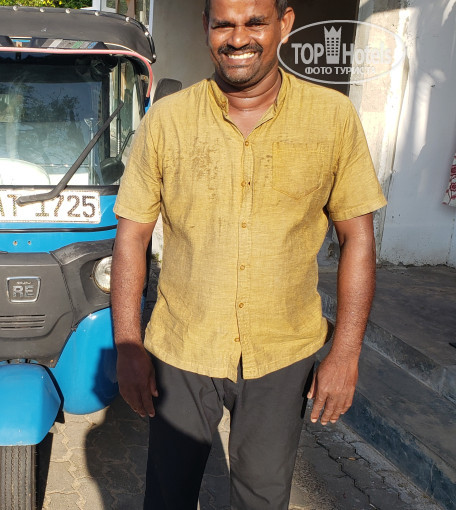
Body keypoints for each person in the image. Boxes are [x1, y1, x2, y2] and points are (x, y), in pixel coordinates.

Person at [110, 0, 388, 508]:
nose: (238, 38)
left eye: (255, 22)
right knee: (167, 496)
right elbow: (131, 236)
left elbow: (358, 238)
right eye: (225, 24)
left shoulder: (332, 118)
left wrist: (346, 353)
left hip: (282, 353)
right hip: (183, 348)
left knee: (262, 497)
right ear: (207, 28)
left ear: (285, 23)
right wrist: (127, 344)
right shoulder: (168, 120)